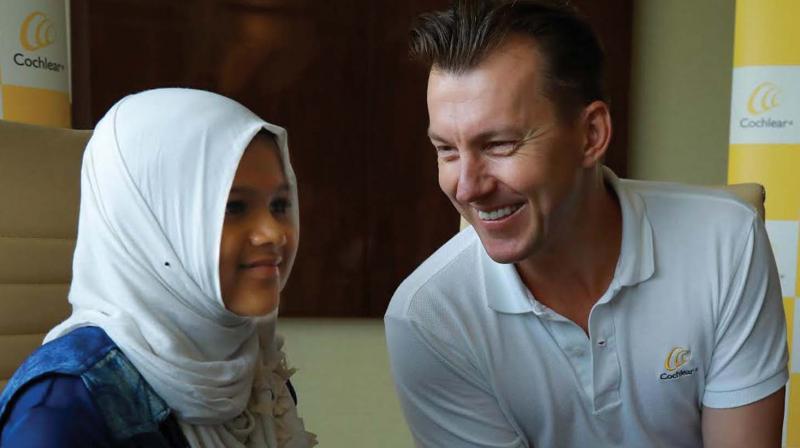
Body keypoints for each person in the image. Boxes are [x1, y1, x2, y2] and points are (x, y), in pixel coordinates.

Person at [384, 1, 788, 447]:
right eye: (447, 150)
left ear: (591, 134)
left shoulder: (726, 240)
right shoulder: (428, 316)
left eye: (498, 144)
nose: (466, 187)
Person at [0, 88, 317, 447]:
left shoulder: (251, 368)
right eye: (234, 208)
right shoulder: (61, 412)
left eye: (279, 205)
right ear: (150, 227)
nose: (273, 233)